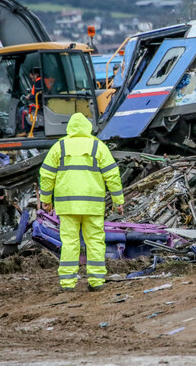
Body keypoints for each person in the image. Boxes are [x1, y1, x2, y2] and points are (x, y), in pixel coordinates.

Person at [39, 112, 124, 292]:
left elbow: (46, 175)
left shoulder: (59, 147)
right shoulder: (98, 146)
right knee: (95, 241)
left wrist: (46, 200)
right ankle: (96, 281)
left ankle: (68, 284)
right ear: (87, 127)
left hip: (67, 205)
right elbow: (112, 175)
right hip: (92, 205)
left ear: (69, 127)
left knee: (69, 243)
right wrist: (118, 201)